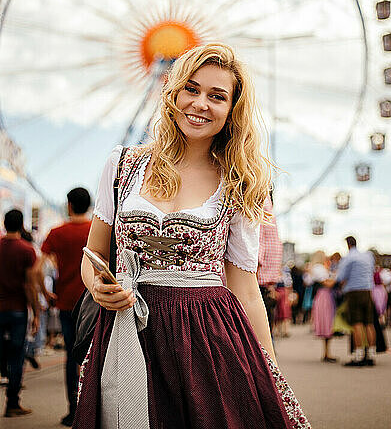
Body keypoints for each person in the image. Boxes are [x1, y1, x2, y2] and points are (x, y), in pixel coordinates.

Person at [73, 44, 311, 429]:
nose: (201, 103)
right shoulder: (122, 165)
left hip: (206, 337)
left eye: (217, 96)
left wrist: (270, 376)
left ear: (232, 109)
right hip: (127, 328)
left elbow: (244, 287)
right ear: (174, 92)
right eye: (192, 89)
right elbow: (93, 254)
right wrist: (98, 287)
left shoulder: (240, 183)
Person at [41, 188, 92, 426]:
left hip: (65, 304)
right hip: (93, 304)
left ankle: (73, 410)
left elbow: (36, 269)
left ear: (69, 205)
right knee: (94, 356)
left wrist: (45, 292)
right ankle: (91, 408)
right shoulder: (96, 229)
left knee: (72, 357)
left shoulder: (56, 233)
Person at [0, 209, 38, 417]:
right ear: (21, 224)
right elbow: (30, 285)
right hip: (17, 310)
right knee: (17, 357)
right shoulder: (27, 250)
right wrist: (37, 312)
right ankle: (12, 403)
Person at [337, 236, 376, 366]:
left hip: (354, 292)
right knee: (369, 323)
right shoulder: (368, 256)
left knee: (357, 323)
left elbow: (341, 277)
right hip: (368, 290)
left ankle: (358, 356)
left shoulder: (348, 258)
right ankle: (371, 354)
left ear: (348, 245)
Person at [257, 192, 282, 338]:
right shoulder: (270, 212)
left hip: (257, 284)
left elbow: (258, 251)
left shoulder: (261, 204)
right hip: (267, 285)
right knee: (266, 332)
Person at [310, 251, 337, 362]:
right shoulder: (319, 268)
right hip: (324, 295)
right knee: (327, 322)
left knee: (327, 322)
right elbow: (327, 283)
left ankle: (326, 352)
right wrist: (337, 277)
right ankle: (327, 353)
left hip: (323, 296)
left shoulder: (318, 268)